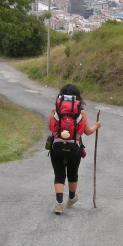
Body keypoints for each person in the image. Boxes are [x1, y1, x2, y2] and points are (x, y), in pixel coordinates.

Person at [48, 84, 101, 214]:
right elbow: (87, 132)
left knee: (59, 175)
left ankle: (59, 203)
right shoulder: (81, 112)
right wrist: (96, 126)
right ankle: (71, 198)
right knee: (72, 174)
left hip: (56, 147)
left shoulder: (55, 110)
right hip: (74, 148)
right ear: (77, 97)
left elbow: (51, 128)